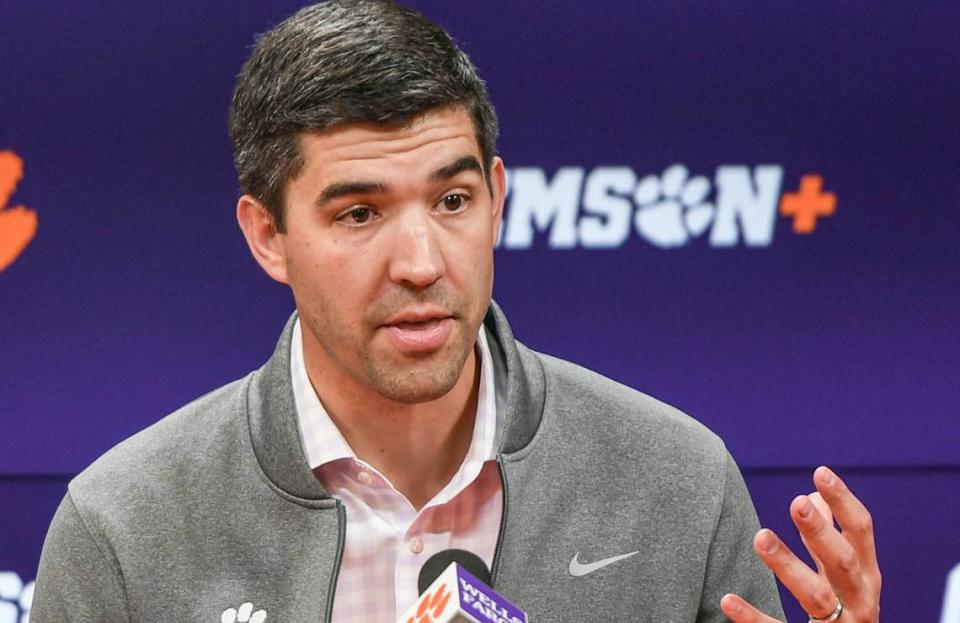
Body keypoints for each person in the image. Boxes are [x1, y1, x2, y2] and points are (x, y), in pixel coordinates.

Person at [31, 1, 881, 622]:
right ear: (268, 235)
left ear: (497, 198)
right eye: (358, 213)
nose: (421, 263)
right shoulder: (124, 529)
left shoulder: (676, 483)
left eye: (451, 198)